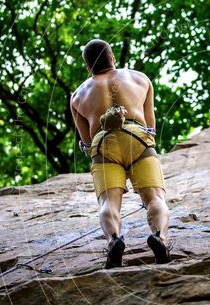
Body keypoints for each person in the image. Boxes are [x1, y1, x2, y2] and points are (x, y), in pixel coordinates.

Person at [70, 39, 171, 268]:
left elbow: (86, 141)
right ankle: (160, 238)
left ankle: (114, 240)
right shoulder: (140, 78)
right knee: (155, 197)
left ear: (88, 67)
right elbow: (151, 125)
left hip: (103, 143)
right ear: (113, 58)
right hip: (138, 137)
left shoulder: (77, 96)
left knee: (108, 203)